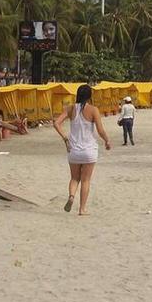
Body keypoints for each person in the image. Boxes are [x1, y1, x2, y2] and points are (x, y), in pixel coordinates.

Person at [54, 84, 111, 215]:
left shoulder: (70, 108)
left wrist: (65, 138)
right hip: (89, 150)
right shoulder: (93, 110)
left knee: (74, 178)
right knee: (86, 180)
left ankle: (71, 196)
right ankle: (82, 209)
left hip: (73, 150)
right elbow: (100, 130)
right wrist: (107, 141)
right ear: (90, 96)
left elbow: (56, 123)